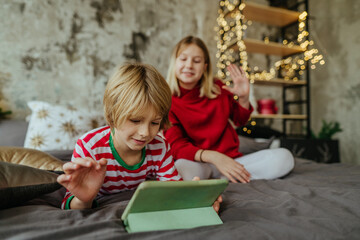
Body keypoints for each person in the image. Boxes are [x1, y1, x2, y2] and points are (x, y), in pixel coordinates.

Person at [57, 62, 221, 211]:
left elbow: (174, 190)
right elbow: (68, 204)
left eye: (154, 123)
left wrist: (195, 200)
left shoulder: (159, 146)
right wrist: (83, 200)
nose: (145, 133)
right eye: (135, 120)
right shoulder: (89, 146)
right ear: (113, 113)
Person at [164, 36, 294, 183]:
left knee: (284, 157)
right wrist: (214, 157)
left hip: (231, 160)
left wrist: (244, 98)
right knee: (179, 170)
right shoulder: (166, 101)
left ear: (205, 66)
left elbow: (240, 120)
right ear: (174, 62)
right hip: (198, 162)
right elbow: (176, 146)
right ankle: (229, 177)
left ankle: (223, 177)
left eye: (197, 61)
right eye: (183, 59)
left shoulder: (218, 88)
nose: (189, 65)